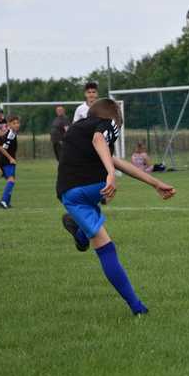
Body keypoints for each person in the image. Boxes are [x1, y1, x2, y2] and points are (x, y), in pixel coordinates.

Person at [57, 98, 175, 315]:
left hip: (68, 195)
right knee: (106, 249)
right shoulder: (105, 123)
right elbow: (99, 138)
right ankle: (138, 309)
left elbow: (116, 160)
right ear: (113, 120)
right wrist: (111, 173)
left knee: (98, 236)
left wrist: (155, 183)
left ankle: (80, 232)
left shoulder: (76, 129)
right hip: (94, 185)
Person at [0, 115, 20, 209]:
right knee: (11, 180)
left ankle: (7, 202)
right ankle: (3, 201)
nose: (17, 125)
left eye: (18, 123)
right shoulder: (10, 135)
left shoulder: (13, 133)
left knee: (11, 180)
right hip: (5, 160)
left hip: (7, 160)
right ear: (9, 124)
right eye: (14, 123)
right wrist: (10, 158)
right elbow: (2, 148)